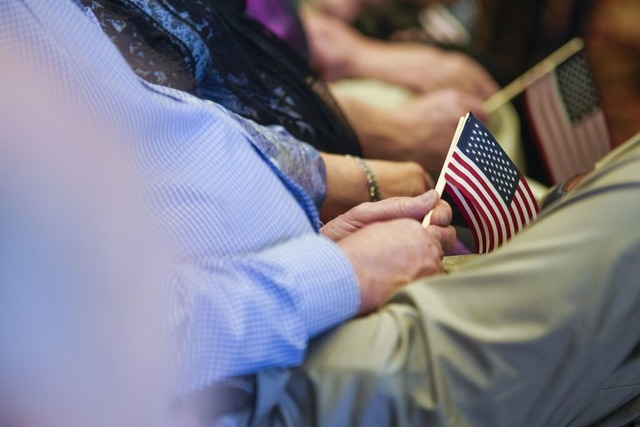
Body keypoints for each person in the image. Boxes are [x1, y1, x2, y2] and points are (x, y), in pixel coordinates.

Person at [7, 2, 640, 426]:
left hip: (292, 298)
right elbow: (101, 348)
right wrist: (336, 271)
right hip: (269, 387)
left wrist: (318, 241)